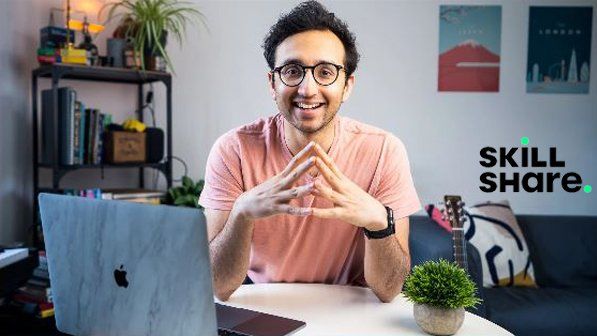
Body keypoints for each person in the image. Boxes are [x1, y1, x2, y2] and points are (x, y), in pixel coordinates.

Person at [199, 1, 420, 303]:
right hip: (268, 306)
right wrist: (241, 214)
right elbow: (219, 286)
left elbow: (388, 290)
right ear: (272, 83)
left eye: (325, 72)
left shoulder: (384, 151)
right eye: (292, 71)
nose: (307, 88)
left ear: (347, 85)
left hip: (352, 310)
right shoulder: (233, 150)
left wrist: (378, 222)